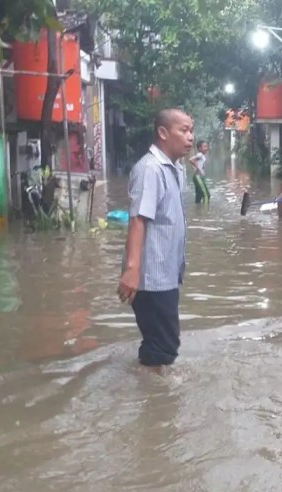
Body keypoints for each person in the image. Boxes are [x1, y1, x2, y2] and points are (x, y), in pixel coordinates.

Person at [117, 108, 192, 367]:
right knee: (164, 346)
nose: (190, 137)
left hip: (166, 273)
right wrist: (132, 270)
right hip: (151, 278)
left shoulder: (174, 169)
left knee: (161, 343)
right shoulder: (150, 169)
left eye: (191, 130)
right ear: (162, 133)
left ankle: (150, 389)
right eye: (183, 130)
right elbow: (138, 219)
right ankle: (152, 396)